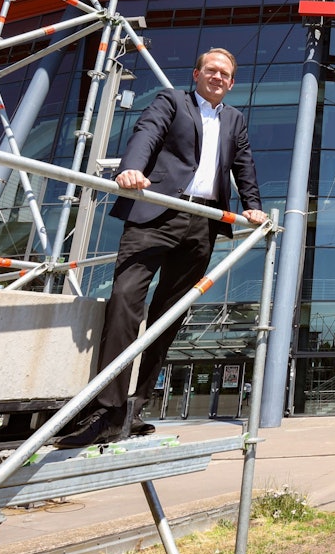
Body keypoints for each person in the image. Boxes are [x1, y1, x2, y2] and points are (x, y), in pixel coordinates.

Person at [57, 48, 267, 448]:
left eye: (225, 74)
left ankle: (135, 408)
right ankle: (105, 409)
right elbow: (147, 133)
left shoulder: (235, 120)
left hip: (203, 222)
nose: (218, 77)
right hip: (156, 212)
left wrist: (252, 206)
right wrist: (131, 168)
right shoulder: (172, 101)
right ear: (197, 74)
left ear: (232, 82)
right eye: (211, 70)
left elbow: (244, 164)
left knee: (169, 315)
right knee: (125, 300)